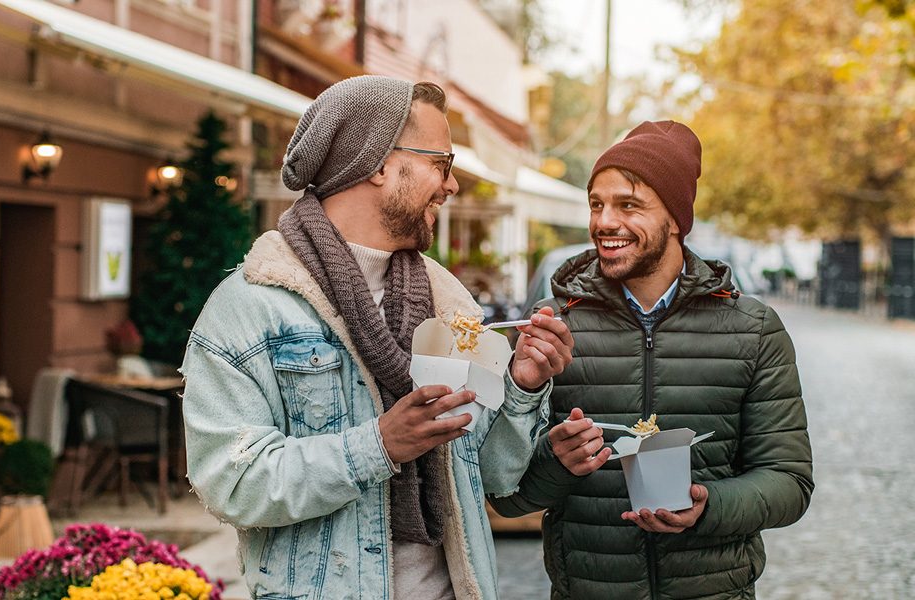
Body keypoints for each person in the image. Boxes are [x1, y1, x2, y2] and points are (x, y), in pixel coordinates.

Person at [180, 75, 574, 600]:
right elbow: (231, 482)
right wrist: (377, 446)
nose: (452, 185)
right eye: (443, 164)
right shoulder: (249, 305)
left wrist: (523, 386)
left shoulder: (448, 303)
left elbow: (493, 476)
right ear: (380, 164)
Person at [490, 120, 814, 599]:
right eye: (596, 204)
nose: (604, 222)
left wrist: (709, 505)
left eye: (629, 205)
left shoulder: (754, 329)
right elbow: (507, 497)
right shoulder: (550, 328)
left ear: (676, 220)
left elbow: (789, 482)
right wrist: (555, 457)